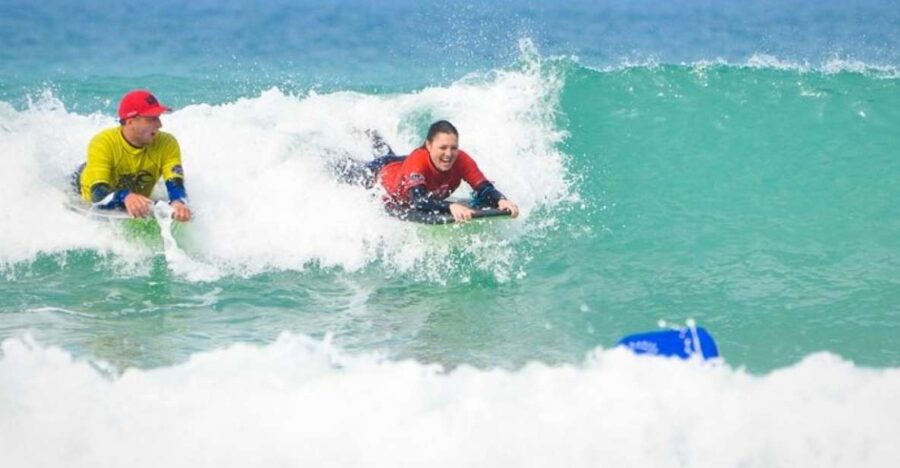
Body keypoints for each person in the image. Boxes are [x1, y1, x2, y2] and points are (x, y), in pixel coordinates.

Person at [345, 121, 519, 223]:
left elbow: (483, 187)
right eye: (442, 147)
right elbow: (419, 201)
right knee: (347, 169)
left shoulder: (461, 159)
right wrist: (450, 206)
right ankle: (327, 153)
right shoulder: (418, 162)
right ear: (428, 145)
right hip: (380, 175)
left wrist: (501, 200)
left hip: (402, 165)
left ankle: (373, 136)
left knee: (391, 155)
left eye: (454, 148)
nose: (449, 154)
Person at [73, 89, 192, 222]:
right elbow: (97, 195)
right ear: (130, 122)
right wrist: (125, 197)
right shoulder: (102, 142)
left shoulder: (167, 143)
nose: (159, 125)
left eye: (158, 118)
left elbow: (175, 184)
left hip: (126, 191)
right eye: (152, 119)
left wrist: (178, 202)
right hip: (85, 187)